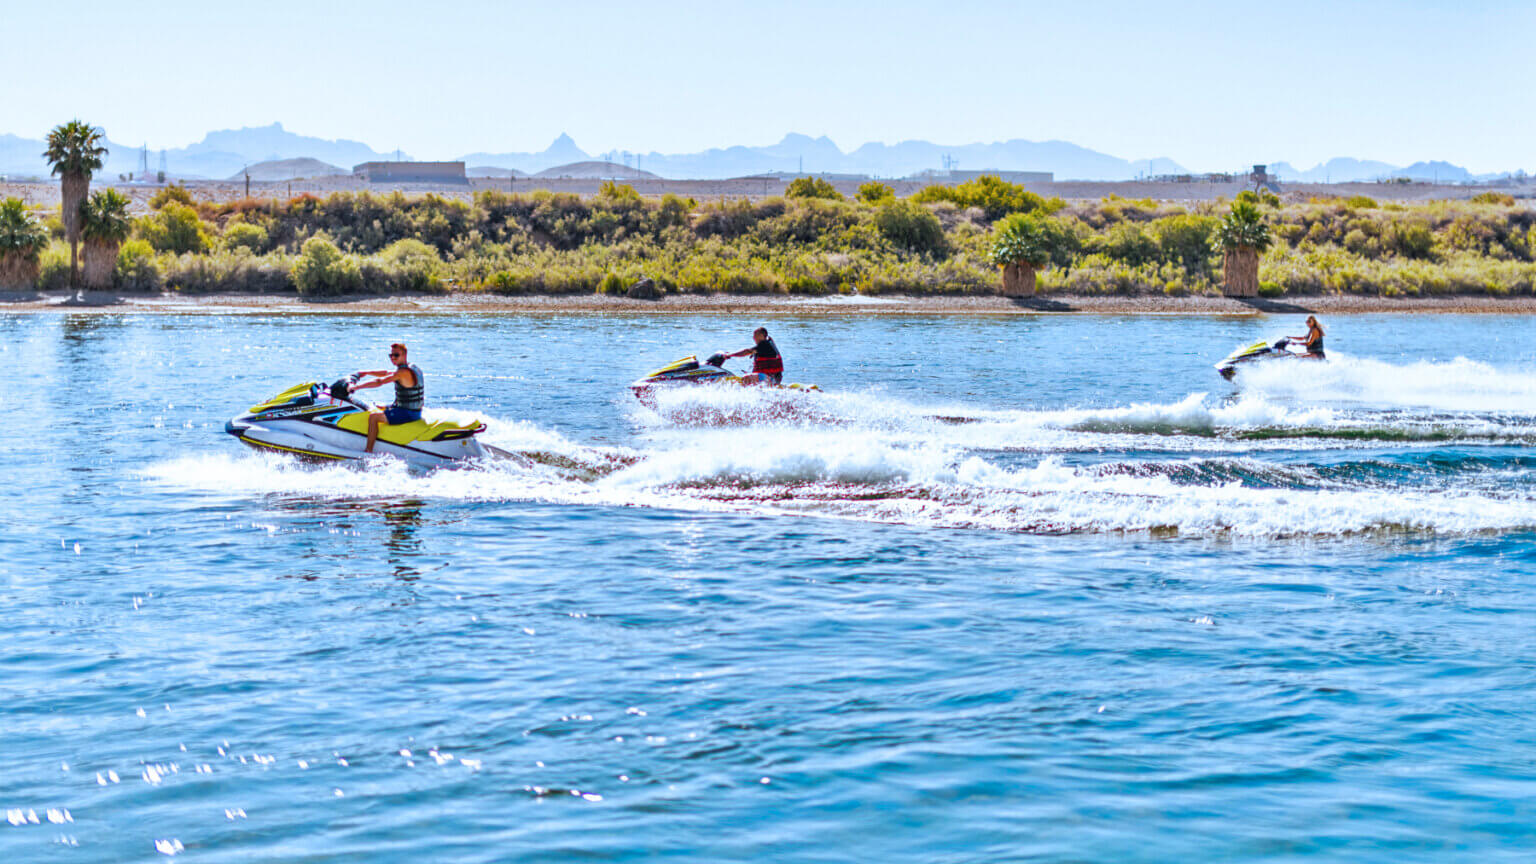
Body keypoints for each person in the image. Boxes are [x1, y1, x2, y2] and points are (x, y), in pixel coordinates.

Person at [351, 342, 424, 453]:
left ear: (404, 355)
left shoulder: (403, 372)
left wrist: (356, 387)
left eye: (396, 355)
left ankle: (368, 450)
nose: (393, 358)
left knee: (373, 417)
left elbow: (379, 381)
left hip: (408, 413)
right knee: (378, 406)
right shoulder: (411, 367)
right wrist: (366, 372)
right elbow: (387, 373)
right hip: (412, 410)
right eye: (391, 355)